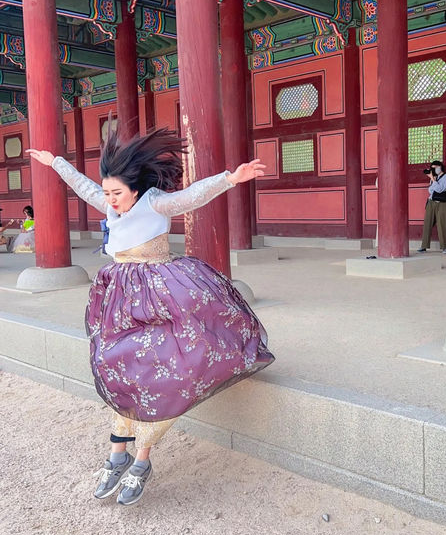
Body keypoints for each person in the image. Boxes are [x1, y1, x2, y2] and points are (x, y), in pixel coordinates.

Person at [27, 128, 274, 506]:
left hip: (160, 288)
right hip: (119, 292)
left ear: (136, 191)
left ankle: (141, 458)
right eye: (107, 193)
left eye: (117, 194)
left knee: (164, 368)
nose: (110, 201)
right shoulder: (110, 203)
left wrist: (231, 178)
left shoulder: (155, 203)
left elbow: (191, 196)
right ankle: (118, 451)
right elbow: (83, 187)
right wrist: (55, 162)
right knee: (114, 365)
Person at [417, 160, 446, 254]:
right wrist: (433, 179)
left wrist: (433, 180)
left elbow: (441, 189)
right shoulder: (434, 177)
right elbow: (430, 190)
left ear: (440, 167)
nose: (434, 169)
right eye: (432, 168)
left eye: (436, 167)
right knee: (427, 223)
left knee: (442, 224)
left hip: (443, 203)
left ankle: (444, 247)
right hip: (431, 202)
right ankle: (424, 246)